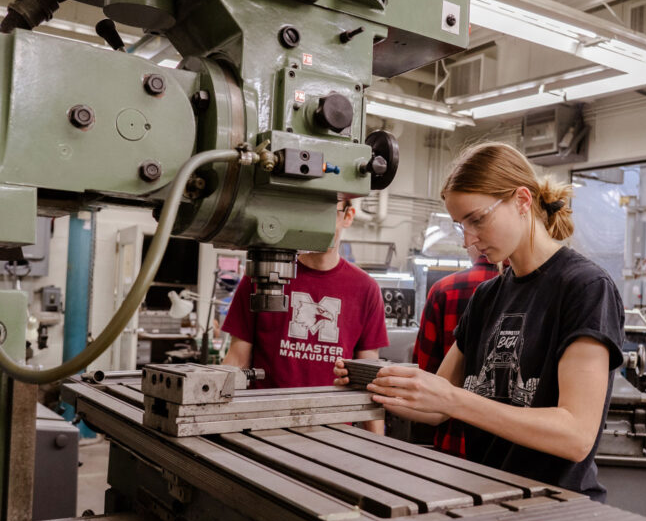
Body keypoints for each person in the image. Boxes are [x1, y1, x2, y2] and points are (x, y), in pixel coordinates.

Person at [335, 143, 624, 500]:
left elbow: (576, 436)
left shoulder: (585, 288)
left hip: (554, 507)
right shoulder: (487, 297)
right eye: (461, 226)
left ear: (521, 201)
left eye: (477, 219)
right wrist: (380, 383)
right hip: (487, 496)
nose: (468, 241)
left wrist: (455, 401)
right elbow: (437, 408)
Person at [224, 198, 389, 434]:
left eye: (325, 210)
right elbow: (237, 361)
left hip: (335, 432)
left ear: (348, 216)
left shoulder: (365, 288)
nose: (316, 222)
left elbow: (368, 378)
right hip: (265, 428)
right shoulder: (262, 278)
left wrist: (377, 448)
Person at [412, 245, 498, 453]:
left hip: (456, 446)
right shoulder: (539, 292)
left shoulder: (445, 290)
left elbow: (425, 379)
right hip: (512, 453)